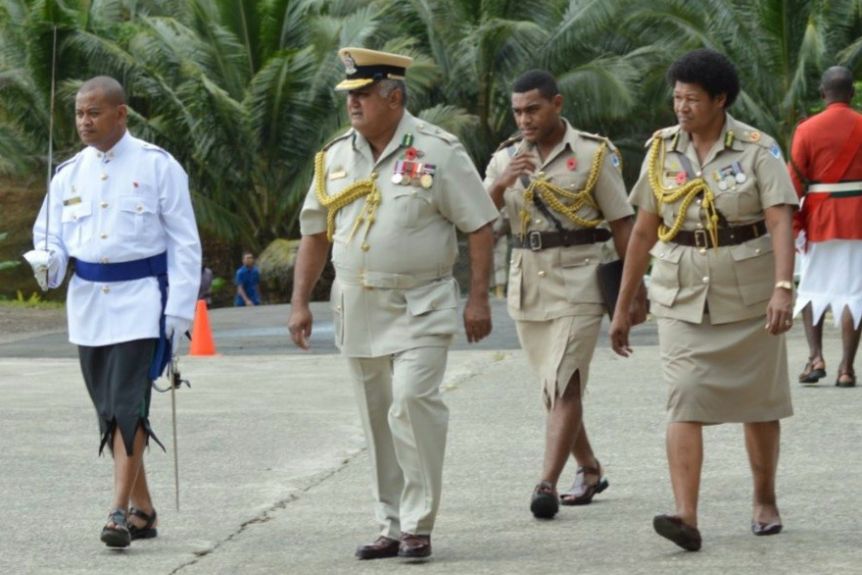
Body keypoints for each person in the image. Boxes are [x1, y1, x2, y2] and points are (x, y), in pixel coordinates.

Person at [288, 47, 498, 560]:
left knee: (411, 403)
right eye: (350, 97)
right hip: (356, 302)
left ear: (394, 96)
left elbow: (479, 224)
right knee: (377, 417)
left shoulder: (438, 150)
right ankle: (391, 523)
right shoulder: (335, 155)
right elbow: (314, 233)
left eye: (363, 95)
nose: (353, 105)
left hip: (421, 301)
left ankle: (419, 523)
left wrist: (478, 300)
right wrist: (299, 303)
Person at [609, 49, 797, 551]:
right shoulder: (660, 151)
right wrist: (624, 304)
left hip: (750, 294)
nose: (682, 108)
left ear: (720, 99)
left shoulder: (758, 148)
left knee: (759, 404)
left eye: (692, 98)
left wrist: (784, 287)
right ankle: (685, 515)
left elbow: (781, 219)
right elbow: (644, 231)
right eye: (677, 98)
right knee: (684, 397)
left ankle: (764, 499)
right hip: (682, 293)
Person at [25, 76, 201, 547]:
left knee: (128, 403)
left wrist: (179, 311)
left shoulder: (158, 166)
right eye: (80, 113)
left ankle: (117, 513)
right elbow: (51, 238)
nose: (85, 121)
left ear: (121, 114)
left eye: (94, 112)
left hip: (143, 300)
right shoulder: (67, 175)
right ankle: (144, 509)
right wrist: (49, 264)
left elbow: (185, 242)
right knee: (109, 410)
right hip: (88, 304)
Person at [484, 69, 645, 519]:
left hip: (580, 276)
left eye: (533, 109)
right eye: (517, 112)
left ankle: (546, 484)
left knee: (566, 379)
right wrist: (502, 183)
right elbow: (477, 218)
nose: (524, 120)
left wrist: (635, 289)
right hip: (528, 281)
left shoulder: (594, 154)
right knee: (550, 387)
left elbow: (622, 222)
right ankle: (589, 467)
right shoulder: (504, 159)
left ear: (557, 104)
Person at [790, 66, 862, 387]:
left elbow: (794, 179)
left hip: (819, 217)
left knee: (811, 288)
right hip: (859, 217)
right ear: (853, 93)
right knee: (854, 292)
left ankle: (815, 357)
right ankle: (846, 369)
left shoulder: (806, 129)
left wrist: (795, 222)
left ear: (822, 94)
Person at [491, 210, 510, 298]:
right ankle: (490, 289)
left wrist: (497, 236)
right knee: (484, 264)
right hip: (484, 237)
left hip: (499, 237)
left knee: (499, 264)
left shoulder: (503, 203)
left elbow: (507, 221)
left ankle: (500, 290)